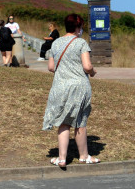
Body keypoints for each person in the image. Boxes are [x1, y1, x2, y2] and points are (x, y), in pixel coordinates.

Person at [42, 13, 98, 168]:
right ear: (78, 27)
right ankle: (84, 156)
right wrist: (93, 72)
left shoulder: (56, 43)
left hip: (60, 86)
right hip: (79, 86)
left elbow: (51, 67)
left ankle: (61, 158)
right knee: (80, 121)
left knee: (63, 123)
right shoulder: (81, 43)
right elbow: (87, 66)